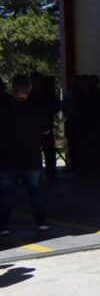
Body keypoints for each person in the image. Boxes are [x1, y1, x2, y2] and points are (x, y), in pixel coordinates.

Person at [0, 75, 51, 235]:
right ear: (29, 89)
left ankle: (3, 227)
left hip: (7, 160)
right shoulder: (37, 110)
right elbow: (46, 131)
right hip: (32, 159)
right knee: (36, 193)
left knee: (5, 197)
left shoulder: (4, 112)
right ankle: (41, 223)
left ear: (12, 89)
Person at [29, 74, 60, 180]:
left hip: (46, 125)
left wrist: (46, 114)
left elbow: (55, 106)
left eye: (36, 80)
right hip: (32, 127)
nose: (35, 82)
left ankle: (50, 171)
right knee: (34, 150)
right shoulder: (30, 94)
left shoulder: (48, 93)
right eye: (33, 80)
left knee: (49, 148)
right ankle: (36, 170)